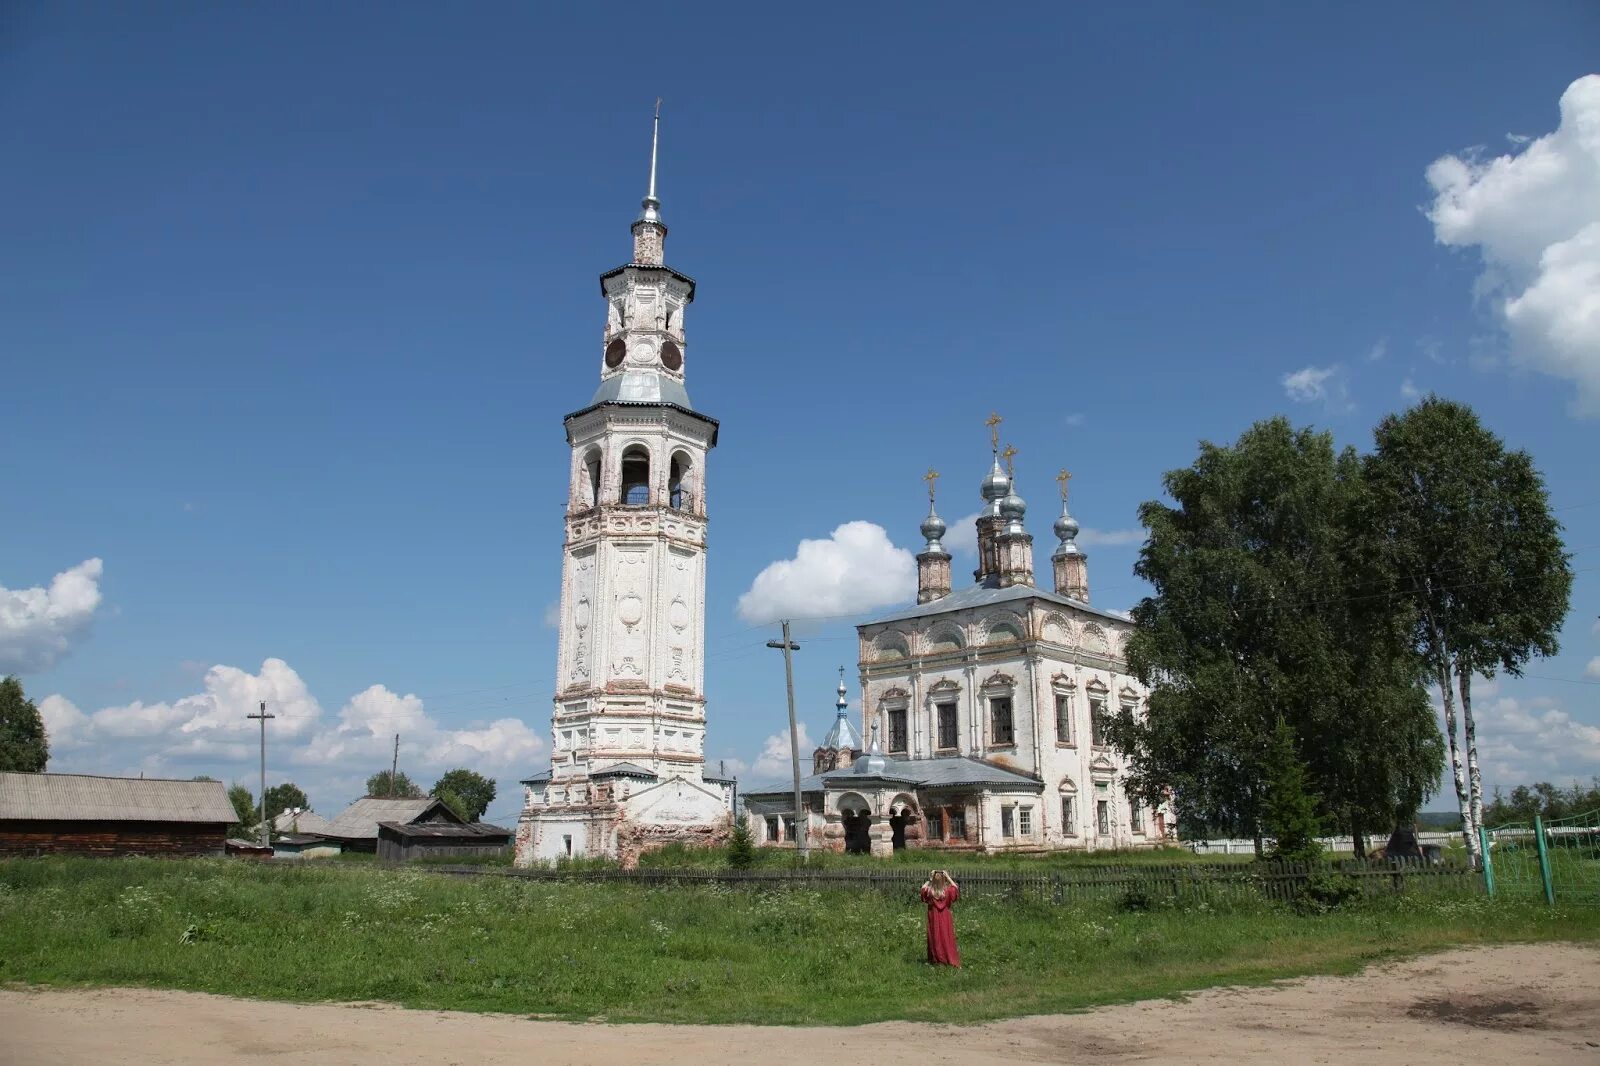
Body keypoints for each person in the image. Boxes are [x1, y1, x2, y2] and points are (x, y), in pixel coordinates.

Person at [919, 869, 960, 967]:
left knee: (935, 937)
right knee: (946, 936)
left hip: (933, 917)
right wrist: (948, 877)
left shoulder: (929, 892)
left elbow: (922, 888)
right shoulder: (947, 891)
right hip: (945, 917)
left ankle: (936, 959)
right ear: (943, 880)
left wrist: (930, 879)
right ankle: (947, 958)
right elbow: (955, 887)